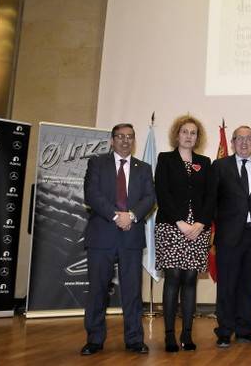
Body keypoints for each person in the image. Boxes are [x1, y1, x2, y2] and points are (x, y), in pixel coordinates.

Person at [81, 123, 155, 355]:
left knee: (133, 291)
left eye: (130, 137)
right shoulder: (97, 163)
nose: (125, 141)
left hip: (131, 236)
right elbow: (91, 194)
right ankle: (94, 339)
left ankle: (134, 339)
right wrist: (116, 216)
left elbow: (149, 197)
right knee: (98, 290)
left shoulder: (143, 168)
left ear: (134, 140)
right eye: (120, 137)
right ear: (112, 140)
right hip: (102, 235)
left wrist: (131, 216)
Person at [208, 125, 251, 348]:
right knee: (226, 285)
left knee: (248, 285)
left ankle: (245, 329)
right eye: (239, 139)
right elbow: (212, 200)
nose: (244, 143)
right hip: (228, 235)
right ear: (233, 142)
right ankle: (225, 331)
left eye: (249, 139)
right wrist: (227, 221)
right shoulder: (219, 166)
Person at [154, 115, 212, 352]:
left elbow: (210, 197)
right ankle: (169, 335)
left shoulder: (205, 162)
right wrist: (180, 222)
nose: (189, 136)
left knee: (190, 280)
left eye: (193, 133)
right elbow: (162, 192)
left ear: (198, 137)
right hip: (171, 226)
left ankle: (187, 334)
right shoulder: (165, 159)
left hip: (198, 228)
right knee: (173, 278)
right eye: (185, 132)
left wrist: (200, 223)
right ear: (176, 135)